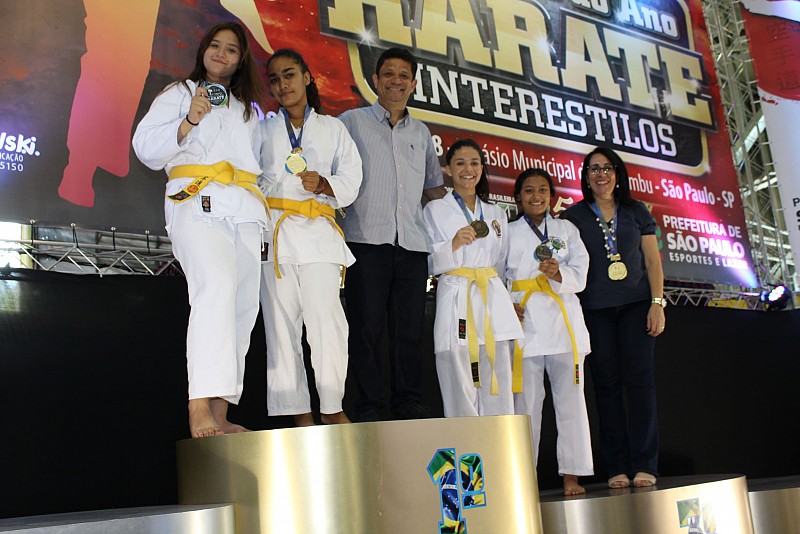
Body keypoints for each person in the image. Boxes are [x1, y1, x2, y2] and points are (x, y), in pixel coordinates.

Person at [132, 22, 268, 438]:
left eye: (231, 49)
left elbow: (256, 165)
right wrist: (189, 119)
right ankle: (198, 406)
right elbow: (145, 148)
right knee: (216, 288)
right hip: (196, 201)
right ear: (203, 50)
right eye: (215, 46)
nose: (222, 54)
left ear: (240, 60)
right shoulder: (178, 93)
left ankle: (221, 410)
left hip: (244, 210)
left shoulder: (247, 111)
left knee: (243, 307)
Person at [339, 47, 445, 422]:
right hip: (366, 241)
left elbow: (433, 189)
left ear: (413, 84)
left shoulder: (421, 132)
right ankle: (369, 405)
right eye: (388, 74)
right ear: (375, 80)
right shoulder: (350, 122)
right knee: (366, 330)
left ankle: (408, 401)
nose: (395, 81)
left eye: (403, 75)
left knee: (409, 331)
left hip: (412, 245)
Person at [257, 49, 362, 426]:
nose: (282, 84)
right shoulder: (263, 130)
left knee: (327, 322)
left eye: (289, 75)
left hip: (319, 235)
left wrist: (324, 184)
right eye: (274, 79)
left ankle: (332, 408)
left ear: (306, 78)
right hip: (278, 235)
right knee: (281, 326)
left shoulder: (333, 129)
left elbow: (352, 177)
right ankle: (298, 413)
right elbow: (249, 177)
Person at [561, 147, 666, 488]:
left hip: (637, 306)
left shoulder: (636, 211)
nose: (601, 174)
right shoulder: (573, 216)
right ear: (586, 177)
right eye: (594, 169)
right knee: (606, 387)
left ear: (617, 174)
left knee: (641, 384)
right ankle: (616, 466)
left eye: (607, 168)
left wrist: (657, 303)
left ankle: (646, 464)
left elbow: (652, 261)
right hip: (595, 311)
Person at [506, 168, 593, 496]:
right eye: (529, 190)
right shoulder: (508, 232)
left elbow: (581, 273)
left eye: (543, 190)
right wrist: (506, 305)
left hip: (562, 323)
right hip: (525, 323)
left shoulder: (566, 230)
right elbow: (496, 274)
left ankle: (572, 475)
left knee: (572, 403)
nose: (536, 196)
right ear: (518, 197)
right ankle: (524, 478)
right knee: (526, 406)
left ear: (552, 197)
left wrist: (558, 274)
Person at [423, 139, 522, 417]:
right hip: (456, 294)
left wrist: (508, 299)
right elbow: (426, 262)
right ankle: (466, 444)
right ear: (448, 170)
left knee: (497, 377)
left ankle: (498, 443)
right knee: (458, 374)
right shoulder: (434, 210)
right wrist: (452, 245)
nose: (468, 169)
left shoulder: (496, 213)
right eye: (460, 163)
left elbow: (502, 262)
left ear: (482, 168)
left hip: (491, 299)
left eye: (475, 163)